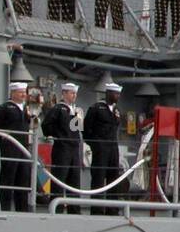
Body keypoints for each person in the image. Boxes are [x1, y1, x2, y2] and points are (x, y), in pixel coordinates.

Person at [0, 82, 32, 212]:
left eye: (24, 92)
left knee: (23, 178)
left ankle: (22, 209)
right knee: (8, 178)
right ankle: (4, 208)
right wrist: (4, 144)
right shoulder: (4, 107)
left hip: (24, 149)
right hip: (10, 147)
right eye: (20, 92)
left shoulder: (25, 109)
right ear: (12, 93)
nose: (23, 94)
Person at [42, 82, 83, 211]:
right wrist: (57, 135)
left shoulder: (75, 110)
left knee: (74, 179)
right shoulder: (58, 109)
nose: (74, 96)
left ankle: (74, 209)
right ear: (64, 93)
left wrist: (78, 119)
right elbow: (46, 126)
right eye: (72, 93)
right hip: (62, 147)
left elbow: (76, 129)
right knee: (59, 178)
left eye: (75, 93)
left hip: (74, 147)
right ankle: (56, 208)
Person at [85, 83, 123, 213]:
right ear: (108, 93)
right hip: (101, 148)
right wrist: (96, 144)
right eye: (115, 94)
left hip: (113, 147)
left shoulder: (116, 110)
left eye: (118, 94)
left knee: (113, 177)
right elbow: (86, 129)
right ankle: (97, 210)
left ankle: (112, 209)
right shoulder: (96, 108)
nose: (117, 96)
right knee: (98, 178)